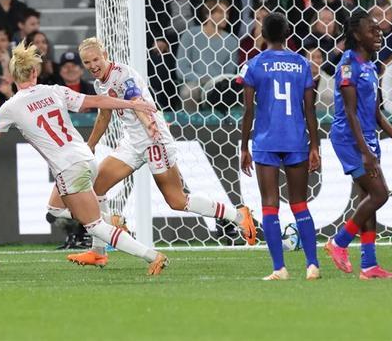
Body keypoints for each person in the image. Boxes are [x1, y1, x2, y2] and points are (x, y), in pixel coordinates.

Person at [62, 37, 256, 268]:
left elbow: (136, 100)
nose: (92, 65)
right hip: (132, 143)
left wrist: (149, 125)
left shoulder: (124, 75)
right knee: (96, 187)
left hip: (154, 140)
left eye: (95, 59)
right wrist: (90, 145)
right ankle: (98, 251)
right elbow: (105, 115)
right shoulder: (99, 84)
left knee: (177, 200)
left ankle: (238, 216)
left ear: (105, 55)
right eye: (87, 62)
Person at [0, 40, 169, 275]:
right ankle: (111, 220)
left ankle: (152, 256)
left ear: (12, 75)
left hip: (69, 167)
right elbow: (98, 101)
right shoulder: (54, 91)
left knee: (94, 226)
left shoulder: (10, 107)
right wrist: (130, 103)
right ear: (34, 71)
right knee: (55, 210)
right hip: (86, 159)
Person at [325, 10, 392, 280]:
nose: (378, 33)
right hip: (349, 139)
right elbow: (349, 111)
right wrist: (365, 152)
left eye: (379, 29)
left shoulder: (370, 65)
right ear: (357, 35)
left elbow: (376, 112)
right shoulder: (348, 64)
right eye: (372, 29)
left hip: (367, 137)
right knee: (380, 194)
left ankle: (369, 266)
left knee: (367, 200)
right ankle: (338, 242)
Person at [239, 13, 321, 281]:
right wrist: (315, 146)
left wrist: (244, 147)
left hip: (266, 141)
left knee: (270, 205)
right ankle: (312, 265)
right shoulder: (302, 64)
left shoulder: (254, 65)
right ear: (288, 34)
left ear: (262, 34)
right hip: (297, 139)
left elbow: (248, 110)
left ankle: (279, 269)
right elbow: (310, 110)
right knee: (300, 203)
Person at [176, 0, 239, 110]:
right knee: (188, 92)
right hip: (195, 82)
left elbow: (229, 73)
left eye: (227, 13)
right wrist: (202, 79)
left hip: (218, 85)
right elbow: (181, 69)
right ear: (207, 14)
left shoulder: (231, 42)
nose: (225, 16)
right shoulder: (191, 34)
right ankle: (190, 126)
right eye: (220, 12)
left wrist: (214, 83)